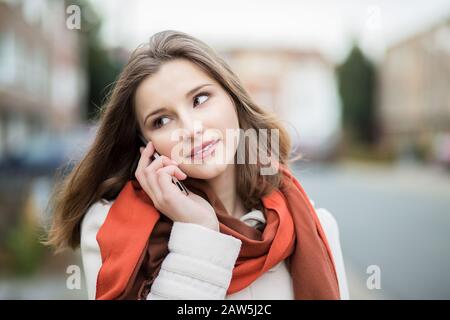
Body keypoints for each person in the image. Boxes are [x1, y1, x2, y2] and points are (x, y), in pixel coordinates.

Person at [44, 30, 349, 300]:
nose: (191, 129)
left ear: (233, 98)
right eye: (161, 120)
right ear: (145, 144)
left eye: (200, 99)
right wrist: (198, 231)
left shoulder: (314, 225)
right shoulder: (109, 228)